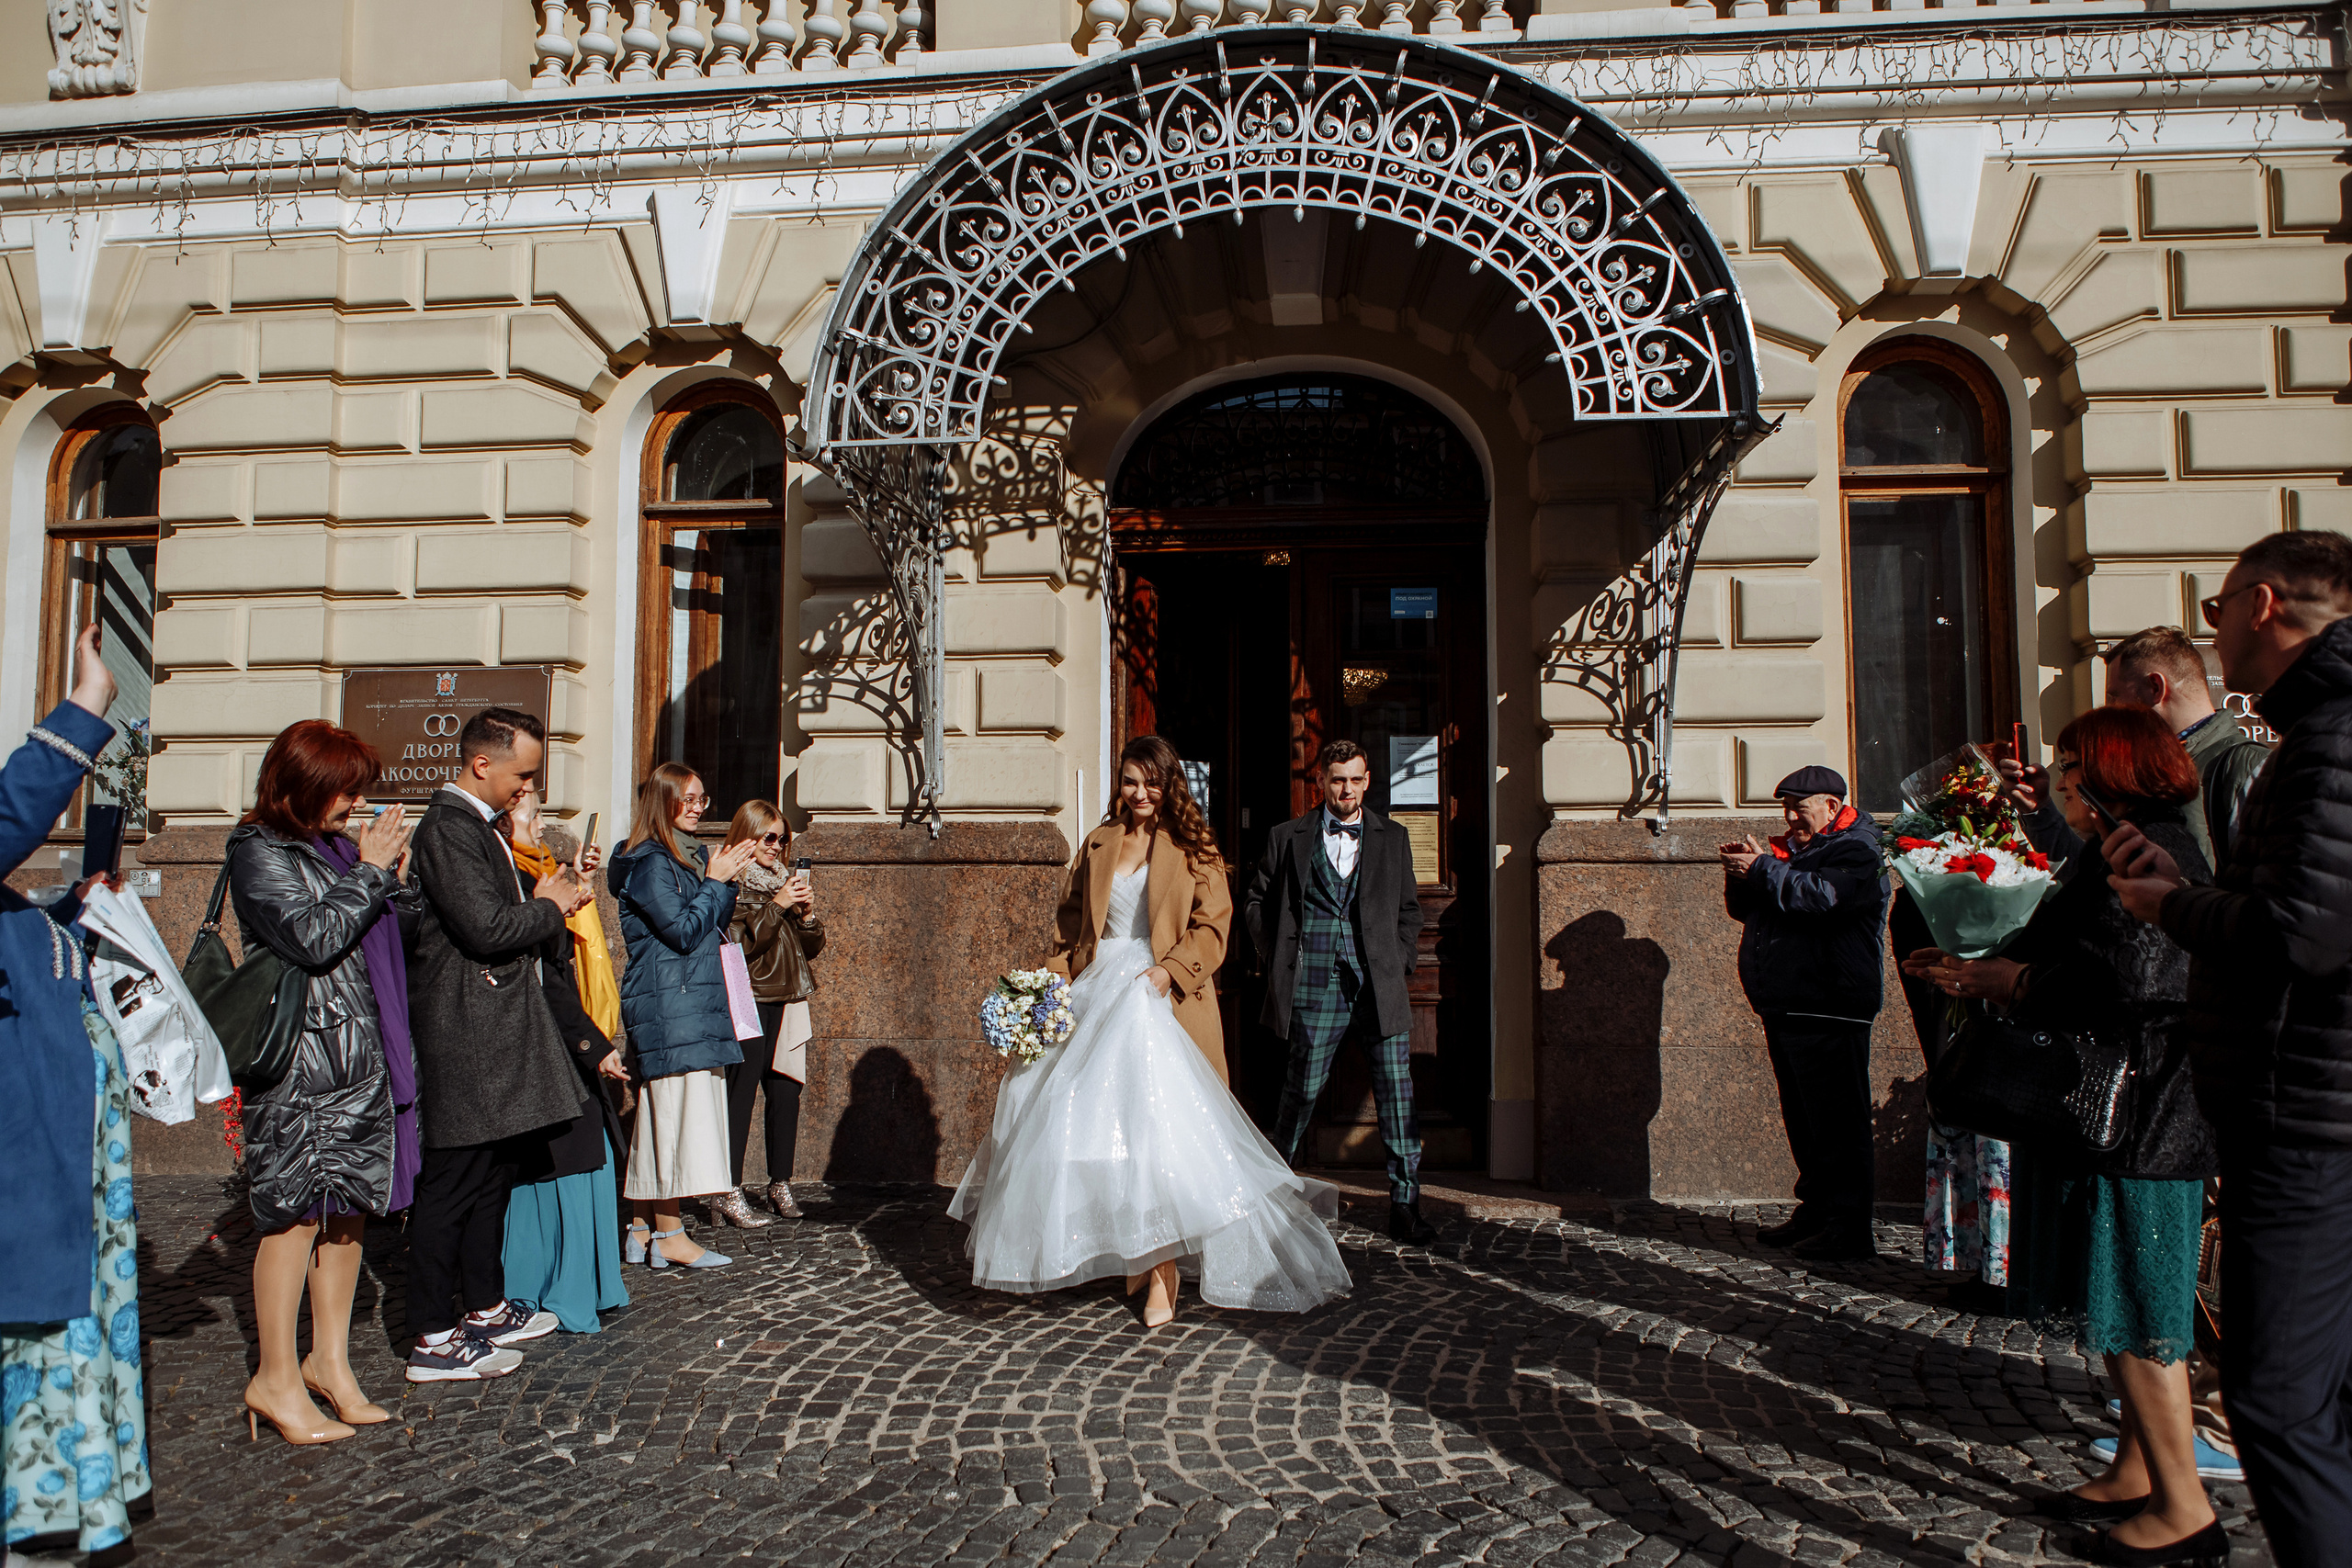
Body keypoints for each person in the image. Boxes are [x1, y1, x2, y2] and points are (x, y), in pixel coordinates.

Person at [1907, 705, 2223, 1565]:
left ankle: (2187, 1512)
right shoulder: (2120, 843)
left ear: (2112, 770)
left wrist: (2013, 980)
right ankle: (2136, 1469)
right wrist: (1981, 969)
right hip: (2127, 1120)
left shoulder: (2151, 848)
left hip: (2148, 1123)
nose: (2058, 779)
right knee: (2121, 1308)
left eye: (2070, 764)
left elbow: (2136, 984)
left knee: (2141, 1315)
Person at [2105, 530, 2352, 1568]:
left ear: (2259, 606)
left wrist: (2173, 907)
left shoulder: (2328, 739)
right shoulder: (2316, 732)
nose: (2215, 630)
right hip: (2308, 1101)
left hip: (2306, 1113)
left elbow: (2304, 932)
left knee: (2279, 1403)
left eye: (2217, 608)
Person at [952, 736, 1349, 1328]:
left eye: (1151, 783)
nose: (1140, 794)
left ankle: (1162, 1267)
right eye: (1130, 781)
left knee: (1161, 1136)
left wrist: (1168, 971)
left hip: (1159, 997)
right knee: (1079, 1129)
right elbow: (1069, 927)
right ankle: (1130, 1251)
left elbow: (1215, 927)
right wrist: (1047, 984)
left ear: (1169, 784)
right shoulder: (1099, 841)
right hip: (1094, 994)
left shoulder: (1195, 846)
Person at [225, 720, 420, 1443]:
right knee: (294, 1216)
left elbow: (390, 932)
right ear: (303, 784)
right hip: (301, 1066)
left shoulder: (337, 847)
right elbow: (309, 937)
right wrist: (368, 873)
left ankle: (328, 1362)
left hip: (361, 1058)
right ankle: (274, 1377)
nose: (355, 802)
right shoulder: (257, 851)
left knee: (348, 1218)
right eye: (345, 788)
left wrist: (394, 882)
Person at [0, 626, 151, 1553]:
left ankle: (68, 1496)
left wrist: (79, 904)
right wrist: (86, 705)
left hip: (56, 1130)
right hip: (25, 1141)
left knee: (61, 1304)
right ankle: (41, 1503)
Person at [403, 706, 594, 1381]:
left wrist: (544, 899)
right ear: (482, 763)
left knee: (490, 1176)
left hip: (490, 1026)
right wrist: (547, 904)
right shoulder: (448, 828)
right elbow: (484, 926)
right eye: (523, 773)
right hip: (465, 1030)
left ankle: (481, 1305)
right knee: (455, 1181)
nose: (527, 788)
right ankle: (431, 1333)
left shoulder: (477, 826)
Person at [1243, 738, 1436, 1246]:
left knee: (1397, 1094)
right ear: (1321, 782)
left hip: (1380, 983)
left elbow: (1409, 910)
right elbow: (1257, 900)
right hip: (1313, 982)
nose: (1346, 789)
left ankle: (1406, 1205)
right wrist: (1279, 958)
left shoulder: (1392, 838)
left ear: (1367, 780)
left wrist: (1398, 961)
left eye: (1355, 779)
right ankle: (1271, 1192)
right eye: (1337, 780)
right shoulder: (1288, 836)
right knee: (1301, 1090)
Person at [1720, 764, 1889, 1262]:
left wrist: (1762, 869)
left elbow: (1822, 898)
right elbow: (1753, 911)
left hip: (1831, 1003)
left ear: (1833, 807)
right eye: (1786, 807)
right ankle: (1817, 1210)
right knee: (1806, 1118)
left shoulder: (1858, 849)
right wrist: (1743, 874)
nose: (1791, 817)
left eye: (1801, 807)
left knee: (1839, 1121)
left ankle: (1849, 1226)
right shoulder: (1797, 851)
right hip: (1791, 1001)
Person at [610, 763, 757, 1269]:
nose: (701, 807)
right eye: (689, 799)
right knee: (670, 1119)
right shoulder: (653, 863)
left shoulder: (678, 858)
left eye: (702, 798)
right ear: (664, 802)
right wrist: (716, 880)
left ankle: (640, 1227)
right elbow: (684, 933)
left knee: (660, 1117)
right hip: (671, 1005)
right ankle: (667, 1232)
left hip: (680, 1002)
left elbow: (705, 921)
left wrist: (724, 882)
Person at [499, 787, 631, 1333]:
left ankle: (573, 1282)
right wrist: (594, 1048)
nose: (540, 824)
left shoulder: (539, 870)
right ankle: (548, 1285)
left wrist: (576, 886)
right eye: (531, 818)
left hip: (563, 1037)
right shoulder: (513, 880)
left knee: (581, 1151)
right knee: (563, 1158)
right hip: (544, 1045)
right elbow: (546, 982)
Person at [717, 800, 824, 1224]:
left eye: (783, 839)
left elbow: (810, 950)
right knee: (740, 1094)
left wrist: (808, 916)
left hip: (790, 996)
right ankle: (726, 1188)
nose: (777, 847)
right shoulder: (731, 882)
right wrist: (778, 905)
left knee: (785, 1093)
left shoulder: (783, 880)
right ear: (747, 835)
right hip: (747, 996)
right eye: (769, 838)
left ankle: (780, 1183)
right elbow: (738, 946)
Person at [2101, 625, 2271, 868]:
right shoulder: (2145, 767)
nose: (2110, 709)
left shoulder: (2251, 767)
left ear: (2155, 688)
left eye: (2115, 696)